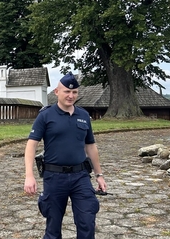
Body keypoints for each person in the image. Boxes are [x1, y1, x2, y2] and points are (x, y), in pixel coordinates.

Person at [24, 72, 107, 239]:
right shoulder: (46, 115)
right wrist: (29, 175)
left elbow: (90, 146)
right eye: (67, 92)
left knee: (87, 221)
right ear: (56, 92)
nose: (71, 96)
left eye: (74, 92)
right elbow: (31, 145)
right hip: (54, 177)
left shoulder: (83, 115)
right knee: (53, 226)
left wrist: (99, 175)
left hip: (80, 176)